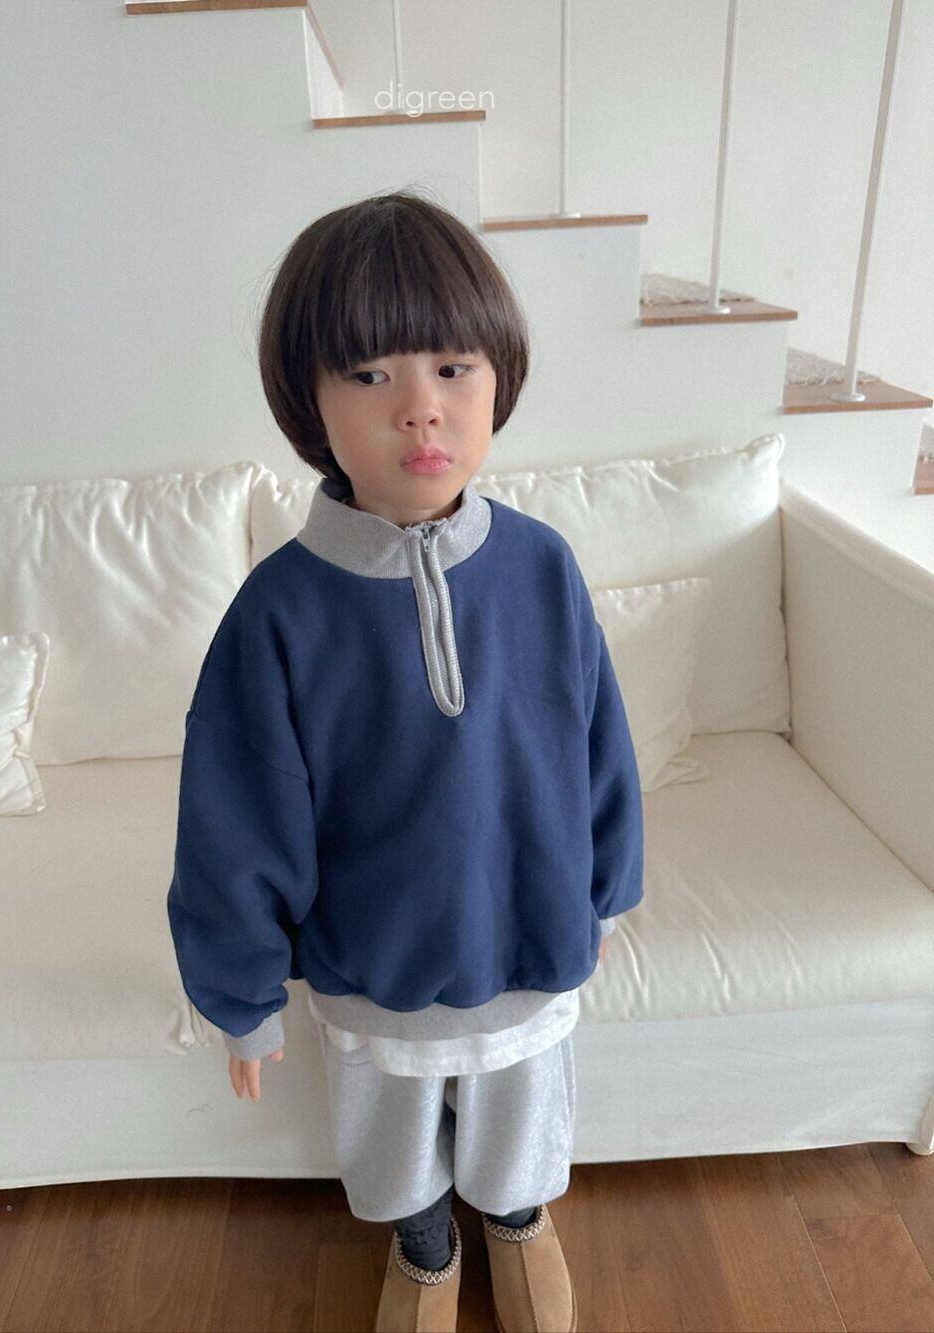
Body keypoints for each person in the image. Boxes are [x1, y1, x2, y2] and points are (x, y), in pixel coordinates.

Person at [166, 188, 644, 1333]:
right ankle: (425, 1248)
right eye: (371, 373)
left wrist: (603, 893)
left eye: (452, 367)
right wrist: (241, 995)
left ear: (497, 379)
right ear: (310, 401)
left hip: (527, 945)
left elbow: (598, 745)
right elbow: (234, 822)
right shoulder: (277, 614)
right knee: (389, 1146)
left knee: (520, 1126)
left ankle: (517, 1223)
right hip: (372, 971)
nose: (420, 407)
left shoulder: (542, 567)